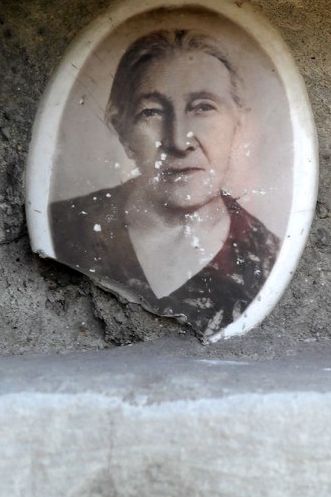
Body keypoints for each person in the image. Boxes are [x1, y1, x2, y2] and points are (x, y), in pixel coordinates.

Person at [49, 29, 280, 339]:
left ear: (236, 123)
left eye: (202, 107)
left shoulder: (266, 258)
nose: (178, 141)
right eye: (152, 112)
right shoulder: (65, 229)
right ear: (123, 130)